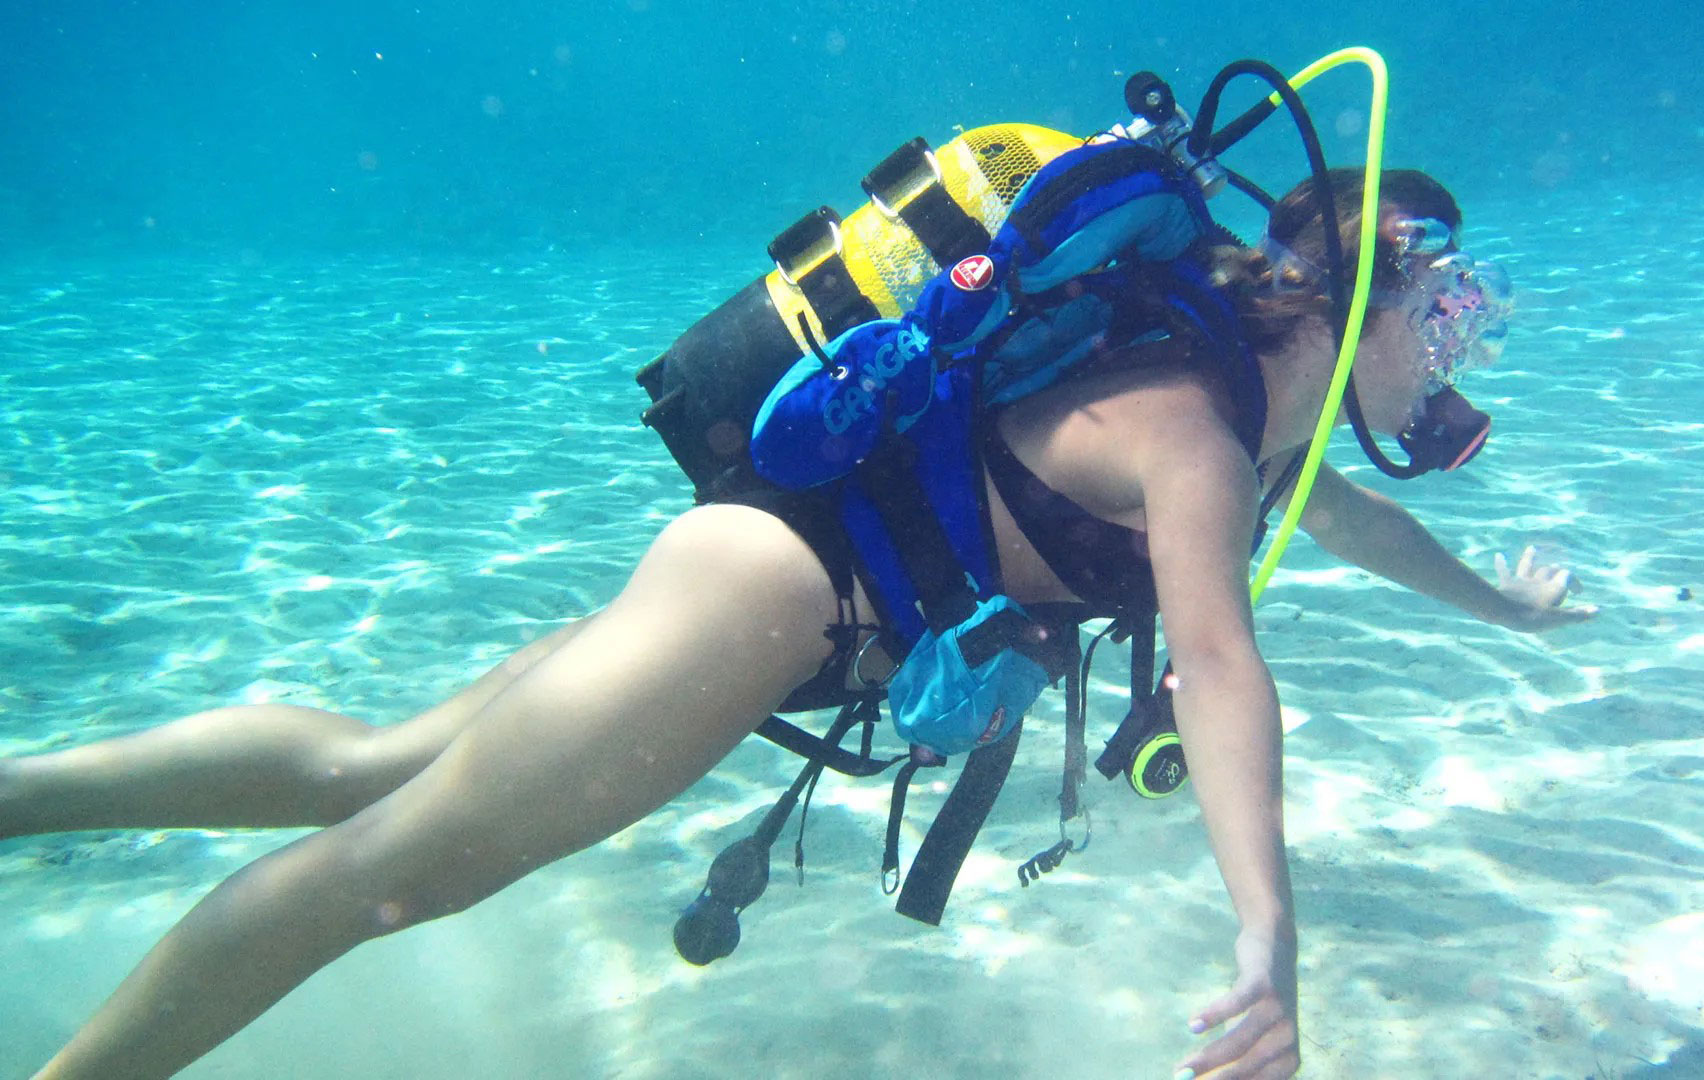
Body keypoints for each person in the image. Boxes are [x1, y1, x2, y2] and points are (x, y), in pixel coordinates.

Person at [3, 165, 1593, 1080]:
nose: (1463, 351)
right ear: (1356, 299)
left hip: (765, 571)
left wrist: (1502, 609)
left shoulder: (1255, 432)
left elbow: (1360, 521)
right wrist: (1268, 940)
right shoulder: (1195, 435)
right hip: (777, 603)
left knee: (366, 775)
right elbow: (1222, 670)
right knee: (390, 874)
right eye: (1450, 313)